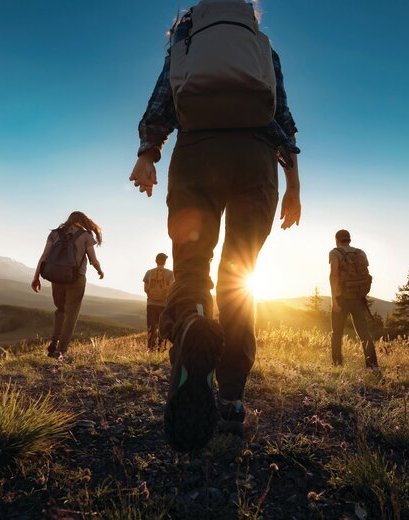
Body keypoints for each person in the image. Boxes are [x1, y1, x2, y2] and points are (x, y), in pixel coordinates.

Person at [129, 0, 301, 451]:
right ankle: (231, 404)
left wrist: (148, 153)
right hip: (256, 163)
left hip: (196, 157)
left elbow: (163, 100)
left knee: (191, 267)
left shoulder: (186, 42)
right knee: (238, 278)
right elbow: (282, 118)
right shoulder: (262, 48)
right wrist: (293, 185)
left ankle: (189, 324)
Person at [32, 211, 104, 360]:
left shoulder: (55, 234)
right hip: (76, 278)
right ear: (83, 221)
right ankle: (61, 350)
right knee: (71, 314)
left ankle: (54, 341)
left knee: (60, 310)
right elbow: (93, 259)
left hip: (56, 276)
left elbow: (44, 256)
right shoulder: (86, 236)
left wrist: (36, 276)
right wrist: (100, 271)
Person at [329, 229, 379, 368]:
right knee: (364, 333)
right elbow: (363, 273)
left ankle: (337, 366)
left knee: (337, 333)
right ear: (349, 239)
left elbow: (333, 275)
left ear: (337, 240)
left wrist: (334, 300)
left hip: (341, 298)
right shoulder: (361, 253)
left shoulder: (335, 253)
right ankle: (373, 366)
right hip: (358, 298)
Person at [143, 253, 175, 350]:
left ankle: (150, 348)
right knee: (163, 327)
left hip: (151, 304)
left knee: (151, 327)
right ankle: (161, 348)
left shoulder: (148, 272)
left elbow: (145, 289)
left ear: (156, 261)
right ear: (165, 262)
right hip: (164, 305)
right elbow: (171, 289)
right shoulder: (170, 273)